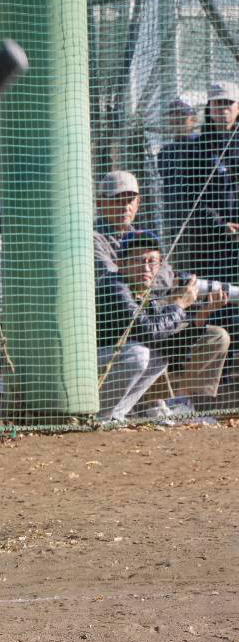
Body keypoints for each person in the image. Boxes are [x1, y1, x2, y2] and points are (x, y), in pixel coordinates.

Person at [95, 230, 229, 423]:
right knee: (138, 354)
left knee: (158, 356)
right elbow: (149, 331)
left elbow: (167, 346)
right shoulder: (114, 286)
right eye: (137, 260)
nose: (146, 268)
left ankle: (116, 415)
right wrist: (179, 305)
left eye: (152, 261)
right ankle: (100, 417)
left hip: (111, 363)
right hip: (90, 368)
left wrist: (201, 316)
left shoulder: (144, 293)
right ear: (121, 264)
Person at [159, 80, 239, 283]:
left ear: (237, 107)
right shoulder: (197, 148)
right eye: (218, 103)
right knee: (215, 292)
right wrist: (220, 224)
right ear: (209, 108)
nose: (223, 109)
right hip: (209, 243)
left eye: (228, 103)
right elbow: (189, 197)